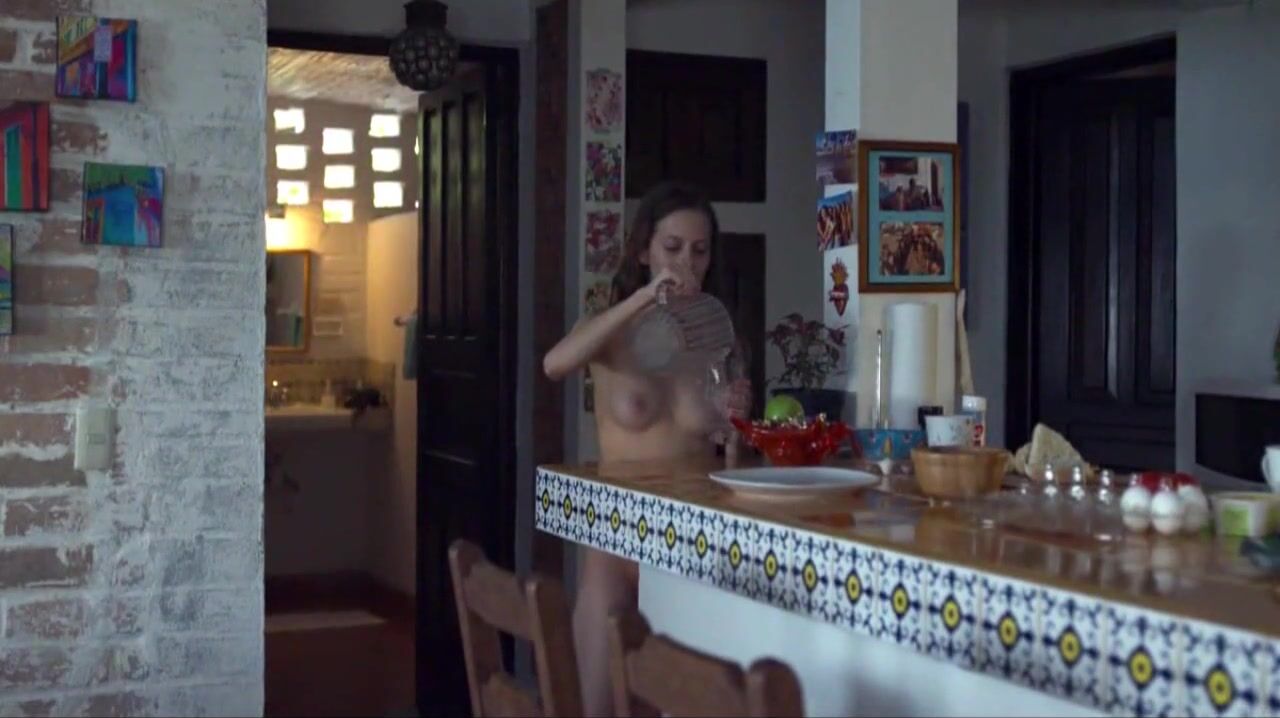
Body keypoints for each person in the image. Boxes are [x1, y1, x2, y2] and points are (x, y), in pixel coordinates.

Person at [542, 181, 751, 717]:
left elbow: (729, 449)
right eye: (672, 247)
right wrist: (641, 299)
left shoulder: (717, 335)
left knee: (683, 703)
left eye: (699, 251)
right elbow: (554, 365)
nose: (686, 263)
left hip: (695, 536)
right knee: (595, 706)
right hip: (618, 539)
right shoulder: (609, 330)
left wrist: (736, 424)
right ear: (643, 252)